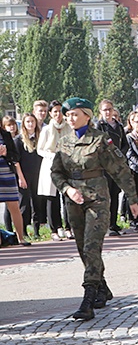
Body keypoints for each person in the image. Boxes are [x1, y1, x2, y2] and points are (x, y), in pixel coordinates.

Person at [51, 98, 138, 320]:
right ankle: (102, 287)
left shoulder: (100, 140)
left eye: (75, 114)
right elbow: (56, 172)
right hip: (74, 200)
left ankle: (88, 298)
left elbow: (120, 169)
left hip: (97, 199)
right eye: (68, 114)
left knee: (91, 245)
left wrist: (132, 199)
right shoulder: (64, 142)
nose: (70, 118)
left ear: (87, 116)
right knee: (82, 246)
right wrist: (67, 189)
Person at [37, 101, 71, 241]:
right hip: (50, 164)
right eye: (55, 112)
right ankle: (55, 228)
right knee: (52, 198)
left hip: (66, 164)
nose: (58, 114)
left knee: (67, 196)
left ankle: (69, 227)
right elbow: (40, 149)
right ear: (50, 113)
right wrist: (52, 156)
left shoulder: (68, 127)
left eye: (60, 111)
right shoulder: (46, 130)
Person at [96, 100, 128, 236]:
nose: (107, 112)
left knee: (115, 194)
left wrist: (120, 156)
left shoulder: (118, 126)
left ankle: (113, 224)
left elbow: (125, 144)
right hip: (104, 167)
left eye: (109, 109)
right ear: (100, 112)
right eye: (105, 110)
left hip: (117, 166)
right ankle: (105, 224)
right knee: (105, 196)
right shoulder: (99, 126)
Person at [15, 113, 44, 239]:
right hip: (24, 176)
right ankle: (23, 231)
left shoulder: (41, 138)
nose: (31, 124)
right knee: (24, 204)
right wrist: (21, 177)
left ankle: (37, 230)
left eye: (32, 121)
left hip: (38, 175)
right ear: (24, 124)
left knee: (38, 203)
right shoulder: (18, 140)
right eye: (28, 122)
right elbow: (16, 161)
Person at [0, 124, 29, 246]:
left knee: (14, 206)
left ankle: (21, 237)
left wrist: (6, 152)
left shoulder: (5, 134)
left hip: (7, 172)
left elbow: (15, 156)